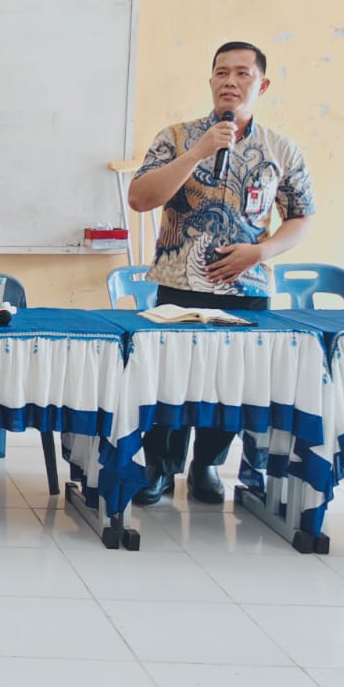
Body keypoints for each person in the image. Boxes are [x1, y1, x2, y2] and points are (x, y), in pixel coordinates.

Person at [128, 41, 315, 505]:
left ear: (262, 85)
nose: (230, 81)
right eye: (221, 72)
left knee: (228, 384)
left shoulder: (281, 150)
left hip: (245, 288)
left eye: (242, 73)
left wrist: (262, 251)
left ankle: (207, 465)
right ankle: (159, 467)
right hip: (179, 285)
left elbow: (301, 217)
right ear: (210, 80)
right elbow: (140, 198)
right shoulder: (176, 137)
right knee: (170, 381)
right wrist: (196, 153)